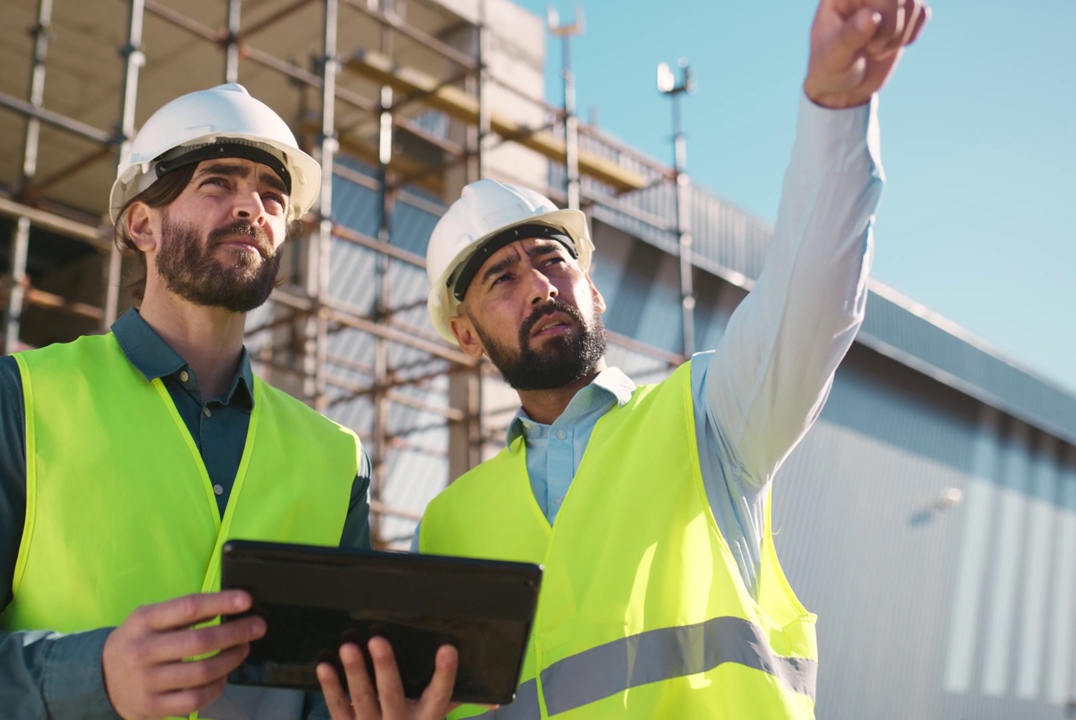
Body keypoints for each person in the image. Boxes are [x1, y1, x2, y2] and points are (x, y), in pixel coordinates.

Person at [316, 0, 929, 718]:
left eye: (552, 260)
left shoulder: (707, 420)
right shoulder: (448, 527)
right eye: (502, 280)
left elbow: (810, 303)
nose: (541, 285)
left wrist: (835, 112)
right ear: (468, 337)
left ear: (594, 292)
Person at [0, 83, 382, 720]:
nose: (253, 207)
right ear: (142, 224)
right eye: (218, 183)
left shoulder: (337, 459)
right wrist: (93, 676)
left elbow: (331, 686)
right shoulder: (17, 399)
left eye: (272, 196)